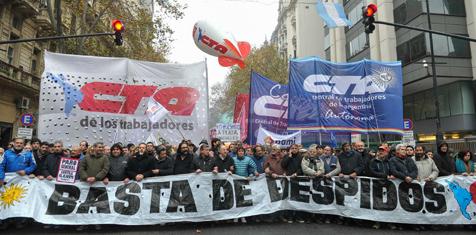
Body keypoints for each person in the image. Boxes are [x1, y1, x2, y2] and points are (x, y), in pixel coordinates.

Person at [0, 137, 36, 229]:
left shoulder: (28, 154)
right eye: (17, 143)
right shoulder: (7, 153)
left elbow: (33, 165)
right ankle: (5, 221)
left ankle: (18, 221)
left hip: (21, 182)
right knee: (7, 201)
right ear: (14, 143)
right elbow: (1, 166)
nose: (19, 144)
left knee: (19, 201)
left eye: (21, 143)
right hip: (7, 182)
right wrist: (1, 177)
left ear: (23, 145)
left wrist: (26, 171)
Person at [281, 144, 305, 223]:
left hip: (298, 180)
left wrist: (296, 173)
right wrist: (289, 157)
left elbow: (302, 168)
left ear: (298, 149)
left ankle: (298, 216)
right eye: (292, 148)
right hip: (289, 181)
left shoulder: (301, 157)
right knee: (289, 197)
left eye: (295, 148)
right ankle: (290, 216)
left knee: (298, 198)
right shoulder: (287, 156)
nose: (294, 149)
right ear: (290, 149)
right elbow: (283, 165)